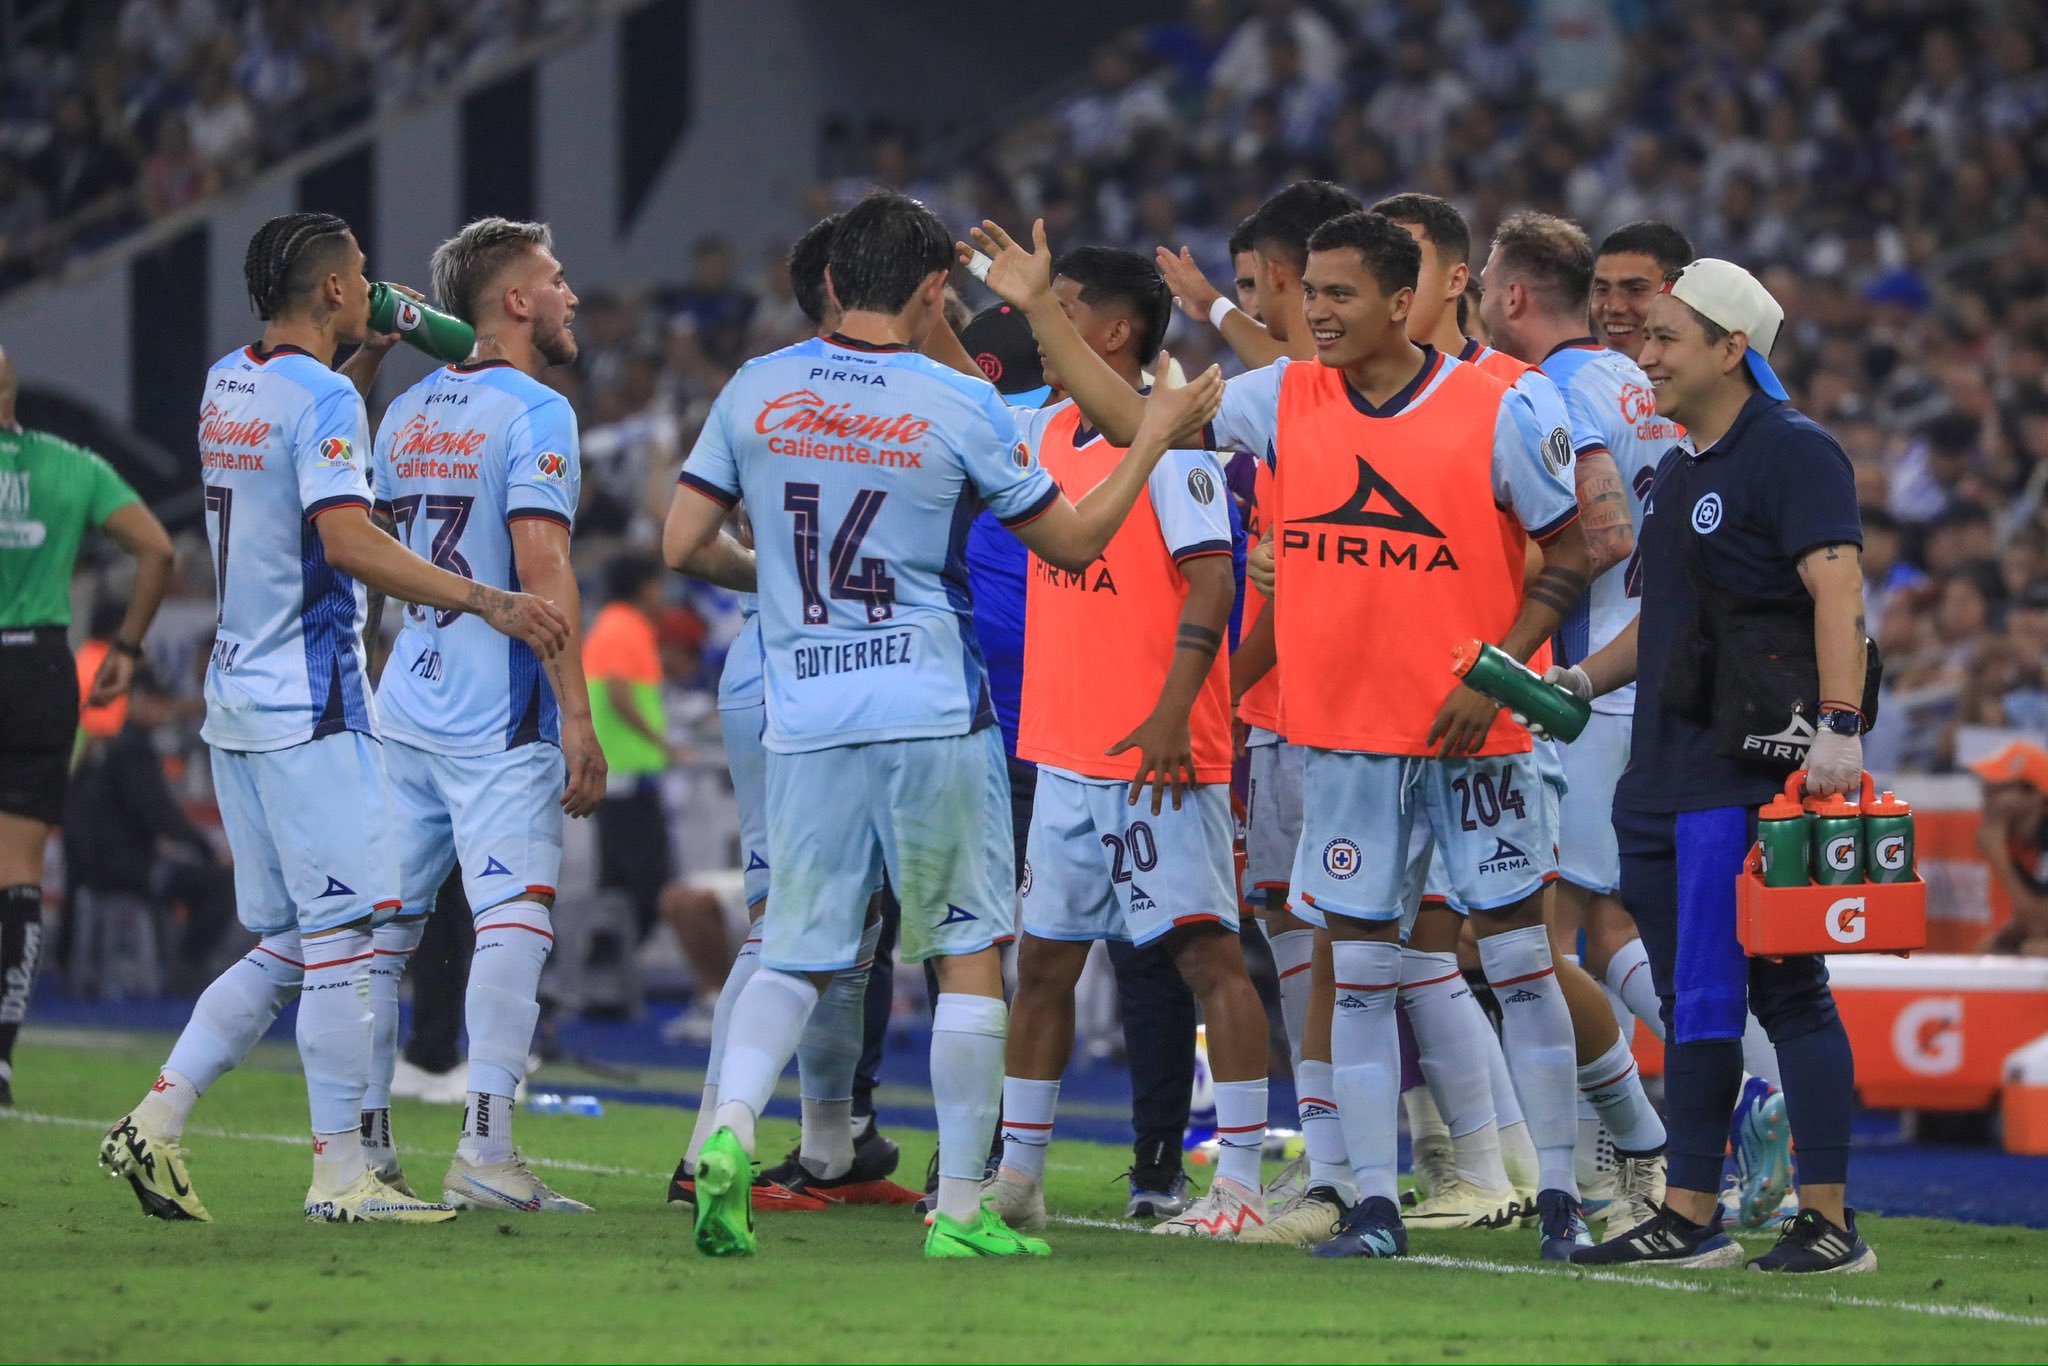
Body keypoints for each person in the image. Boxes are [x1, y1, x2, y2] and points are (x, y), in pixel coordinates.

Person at [973, 208, 1593, 1262]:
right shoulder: (1279, 398)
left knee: (1522, 964)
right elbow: (1140, 423)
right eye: (1309, 295)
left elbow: (1570, 553)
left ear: (1402, 302)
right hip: (1343, 737)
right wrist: (1040, 312)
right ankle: (1371, 1203)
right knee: (1349, 971)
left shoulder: (1495, 409)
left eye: (1338, 295)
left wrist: (1495, 678)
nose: (1316, 313)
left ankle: (1566, 1195)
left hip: (1473, 737)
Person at [663, 189, 1221, 1260]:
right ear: (930, 291)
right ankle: (962, 1209)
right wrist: (1147, 438)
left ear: (833, 280)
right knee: (969, 949)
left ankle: (728, 1130)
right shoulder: (956, 401)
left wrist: (779, 584)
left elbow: (684, 541)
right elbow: (1071, 543)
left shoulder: (754, 387)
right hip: (926, 704)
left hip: (807, 705)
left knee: (794, 947)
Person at [98, 211, 568, 1226]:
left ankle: (156, 1118)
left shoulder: (231, 379)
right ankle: (342, 1173)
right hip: (312, 704)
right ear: (332, 295)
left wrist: (357, 374)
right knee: (350, 936)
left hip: (237, 701)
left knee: (293, 944)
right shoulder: (323, 398)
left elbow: (296, 462)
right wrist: (480, 597)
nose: (372, 287)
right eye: (360, 276)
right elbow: (348, 540)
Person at [1561, 259, 1874, 1274]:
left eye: (1662, 338)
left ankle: (1731, 1216)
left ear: (1730, 349)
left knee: (1756, 992)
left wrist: (1839, 724)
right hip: (1661, 769)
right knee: (1723, 990)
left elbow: (1837, 591)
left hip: (1734, 772)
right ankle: (1731, 1214)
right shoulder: (1688, 466)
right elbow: (1667, 621)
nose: (1641, 353)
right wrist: (1579, 678)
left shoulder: (1789, 452)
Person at [975, 247, 1271, 1241]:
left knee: (1207, 959)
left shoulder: (1176, 437)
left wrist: (1175, 711)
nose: (1036, 326)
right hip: (1062, 749)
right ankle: (1016, 1177)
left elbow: (1212, 581)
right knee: (1046, 966)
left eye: (1060, 309)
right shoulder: (1042, 427)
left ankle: (1236, 1188)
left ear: (1109, 331)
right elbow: (947, 380)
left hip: (1158, 753)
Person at [358, 217, 601, 1214]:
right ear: (513, 302)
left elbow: (379, 558)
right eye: (555, 277)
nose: (570, 294)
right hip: (495, 717)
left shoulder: (405, 411)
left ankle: (357, 1152)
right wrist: (576, 717)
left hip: (403, 701)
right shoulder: (534, 411)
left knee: (377, 936)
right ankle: (486, 1152)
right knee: (514, 918)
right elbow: (543, 573)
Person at [1478, 210, 1678, 1234]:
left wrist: (1503, 620)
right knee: (1603, 928)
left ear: (1511, 294)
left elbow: (1587, 536)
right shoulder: (1644, 379)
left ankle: (1642, 1141)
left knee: (1534, 939)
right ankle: (1640, 1139)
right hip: (1646, 674)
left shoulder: (1551, 389)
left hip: (1580, 685)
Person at [0, 342, 173, 1107]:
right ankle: (1, 1061)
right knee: (20, 871)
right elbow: (158, 550)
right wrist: (127, 649)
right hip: (40, 671)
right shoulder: (71, 466)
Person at [1972, 740, 2048, 955]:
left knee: (2036, 950)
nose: (1987, 795)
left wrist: (1997, 853)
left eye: (1999, 787)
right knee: (1992, 948)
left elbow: (2040, 924)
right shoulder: (2022, 840)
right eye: (1987, 786)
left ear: (2035, 794)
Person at [1590, 221, 1697, 365]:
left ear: (1680, 294)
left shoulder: (1714, 383)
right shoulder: (1565, 383)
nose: (1613, 307)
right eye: (1602, 290)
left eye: (1635, 290)